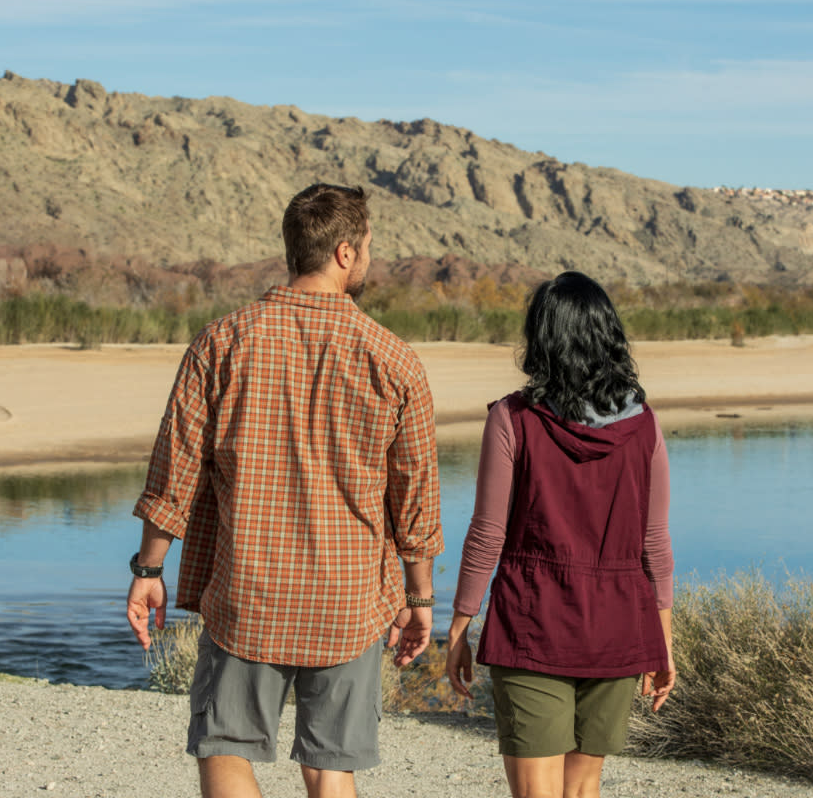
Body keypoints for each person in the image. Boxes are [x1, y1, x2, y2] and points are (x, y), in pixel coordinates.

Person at [127, 183, 444, 798]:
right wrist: (419, 596)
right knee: (331, 767)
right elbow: (415, 501)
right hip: (350, 599)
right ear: (346, 253)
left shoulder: (221, 343)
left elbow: (175, 474)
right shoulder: (395, 361)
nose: (370, 259)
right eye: (370, 247)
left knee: (225, 749)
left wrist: (148, 568)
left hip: (248, 590)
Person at [445, 271, 675, 798]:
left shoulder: (513, 418)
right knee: (581, 789)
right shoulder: (645, 426)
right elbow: (655, 545)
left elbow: (487, 534)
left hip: (533, 623)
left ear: (541, 339)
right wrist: (663, 638)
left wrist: (460, 624)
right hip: (619, 623)